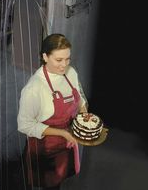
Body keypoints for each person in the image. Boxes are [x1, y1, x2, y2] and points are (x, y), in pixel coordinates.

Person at [17, 34, 87, 190]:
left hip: (65, 145)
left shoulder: (70, 73)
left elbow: (80, 97)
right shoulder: (34, 88)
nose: (64, 65)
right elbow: (24, 125)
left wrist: (83, 113)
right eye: (59, 60)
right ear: (45, 57)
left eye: (67, 59)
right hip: (45, 151)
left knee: (58, 184)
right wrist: (63, 133)